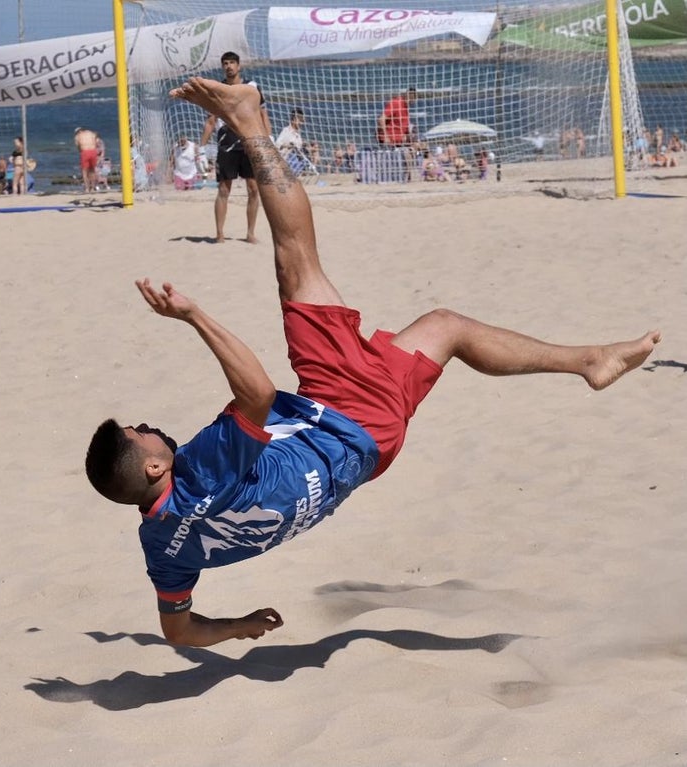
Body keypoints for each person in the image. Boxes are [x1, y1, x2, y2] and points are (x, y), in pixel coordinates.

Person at [84, 77, 661, 649]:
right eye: (141, 433)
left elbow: (179, 631)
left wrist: (241, 626)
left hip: (361, 450)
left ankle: (590, 362)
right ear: (154, 468)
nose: (149, 427)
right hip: (341, 418)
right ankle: (248, 117)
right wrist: (193, 316)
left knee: (445, 327)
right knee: (297, 265)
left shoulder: (161, 548)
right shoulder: (199, 473)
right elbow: (257, 393)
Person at [198, 51, 270, 244]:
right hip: (226, 144)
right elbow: (211, 121)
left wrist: (269, 138)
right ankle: (219, 233)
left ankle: (250, 233)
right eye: (225, 63)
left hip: (250, 143)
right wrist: (202, 149)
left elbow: (263, 114)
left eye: (231, 63)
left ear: (239, 66)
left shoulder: (252, 87)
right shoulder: (218, 89)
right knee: (223, 189)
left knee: (253, 189)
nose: (228, 66)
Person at [75, 127, 100, 193]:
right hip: (93, 151)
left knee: (84, 171)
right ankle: (92, 188)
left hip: (85, 152)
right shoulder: (91, 133)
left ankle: (87, 188)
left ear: (79, 131)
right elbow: (97, 142)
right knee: (92, 170)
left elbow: (78, 146)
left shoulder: (78, 136)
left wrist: (81, 150)